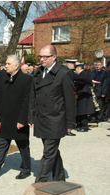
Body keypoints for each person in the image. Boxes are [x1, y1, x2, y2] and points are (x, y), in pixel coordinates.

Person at [28, 44, 76, 183]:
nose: (42, 59)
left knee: (48, 152)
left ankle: (39, 183)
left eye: (45, 57)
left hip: (55, 119)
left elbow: (70, 100)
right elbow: (33, 97)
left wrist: (70, 123)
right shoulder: (38, 72)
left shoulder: (63, 73)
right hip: (41, 118)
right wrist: (30, 116)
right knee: (52, 150)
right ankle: (60, 179)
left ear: (54, 57)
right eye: (40, 56)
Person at [0, 55, 32, 180]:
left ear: (16, 66)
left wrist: (22, 120)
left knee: (22, 145)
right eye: (6, 63)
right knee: (2, 143)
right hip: (7, 118)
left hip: (19, 119)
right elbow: (1, 99)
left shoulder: (26, 80)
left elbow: (27, 102)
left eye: (8, 64)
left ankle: (26, 168)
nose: (5, 66)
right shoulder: (5, 78)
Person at [74, 63, 95, 132]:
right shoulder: (82, 75)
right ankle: (81, 125)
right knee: (80, 111)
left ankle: (84, 126)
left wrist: (73, 78)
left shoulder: (84, 74)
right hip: (82, 94)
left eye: (75, 70)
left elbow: (82, 80)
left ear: (78, 69)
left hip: (85, 95)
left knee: (83, 111)